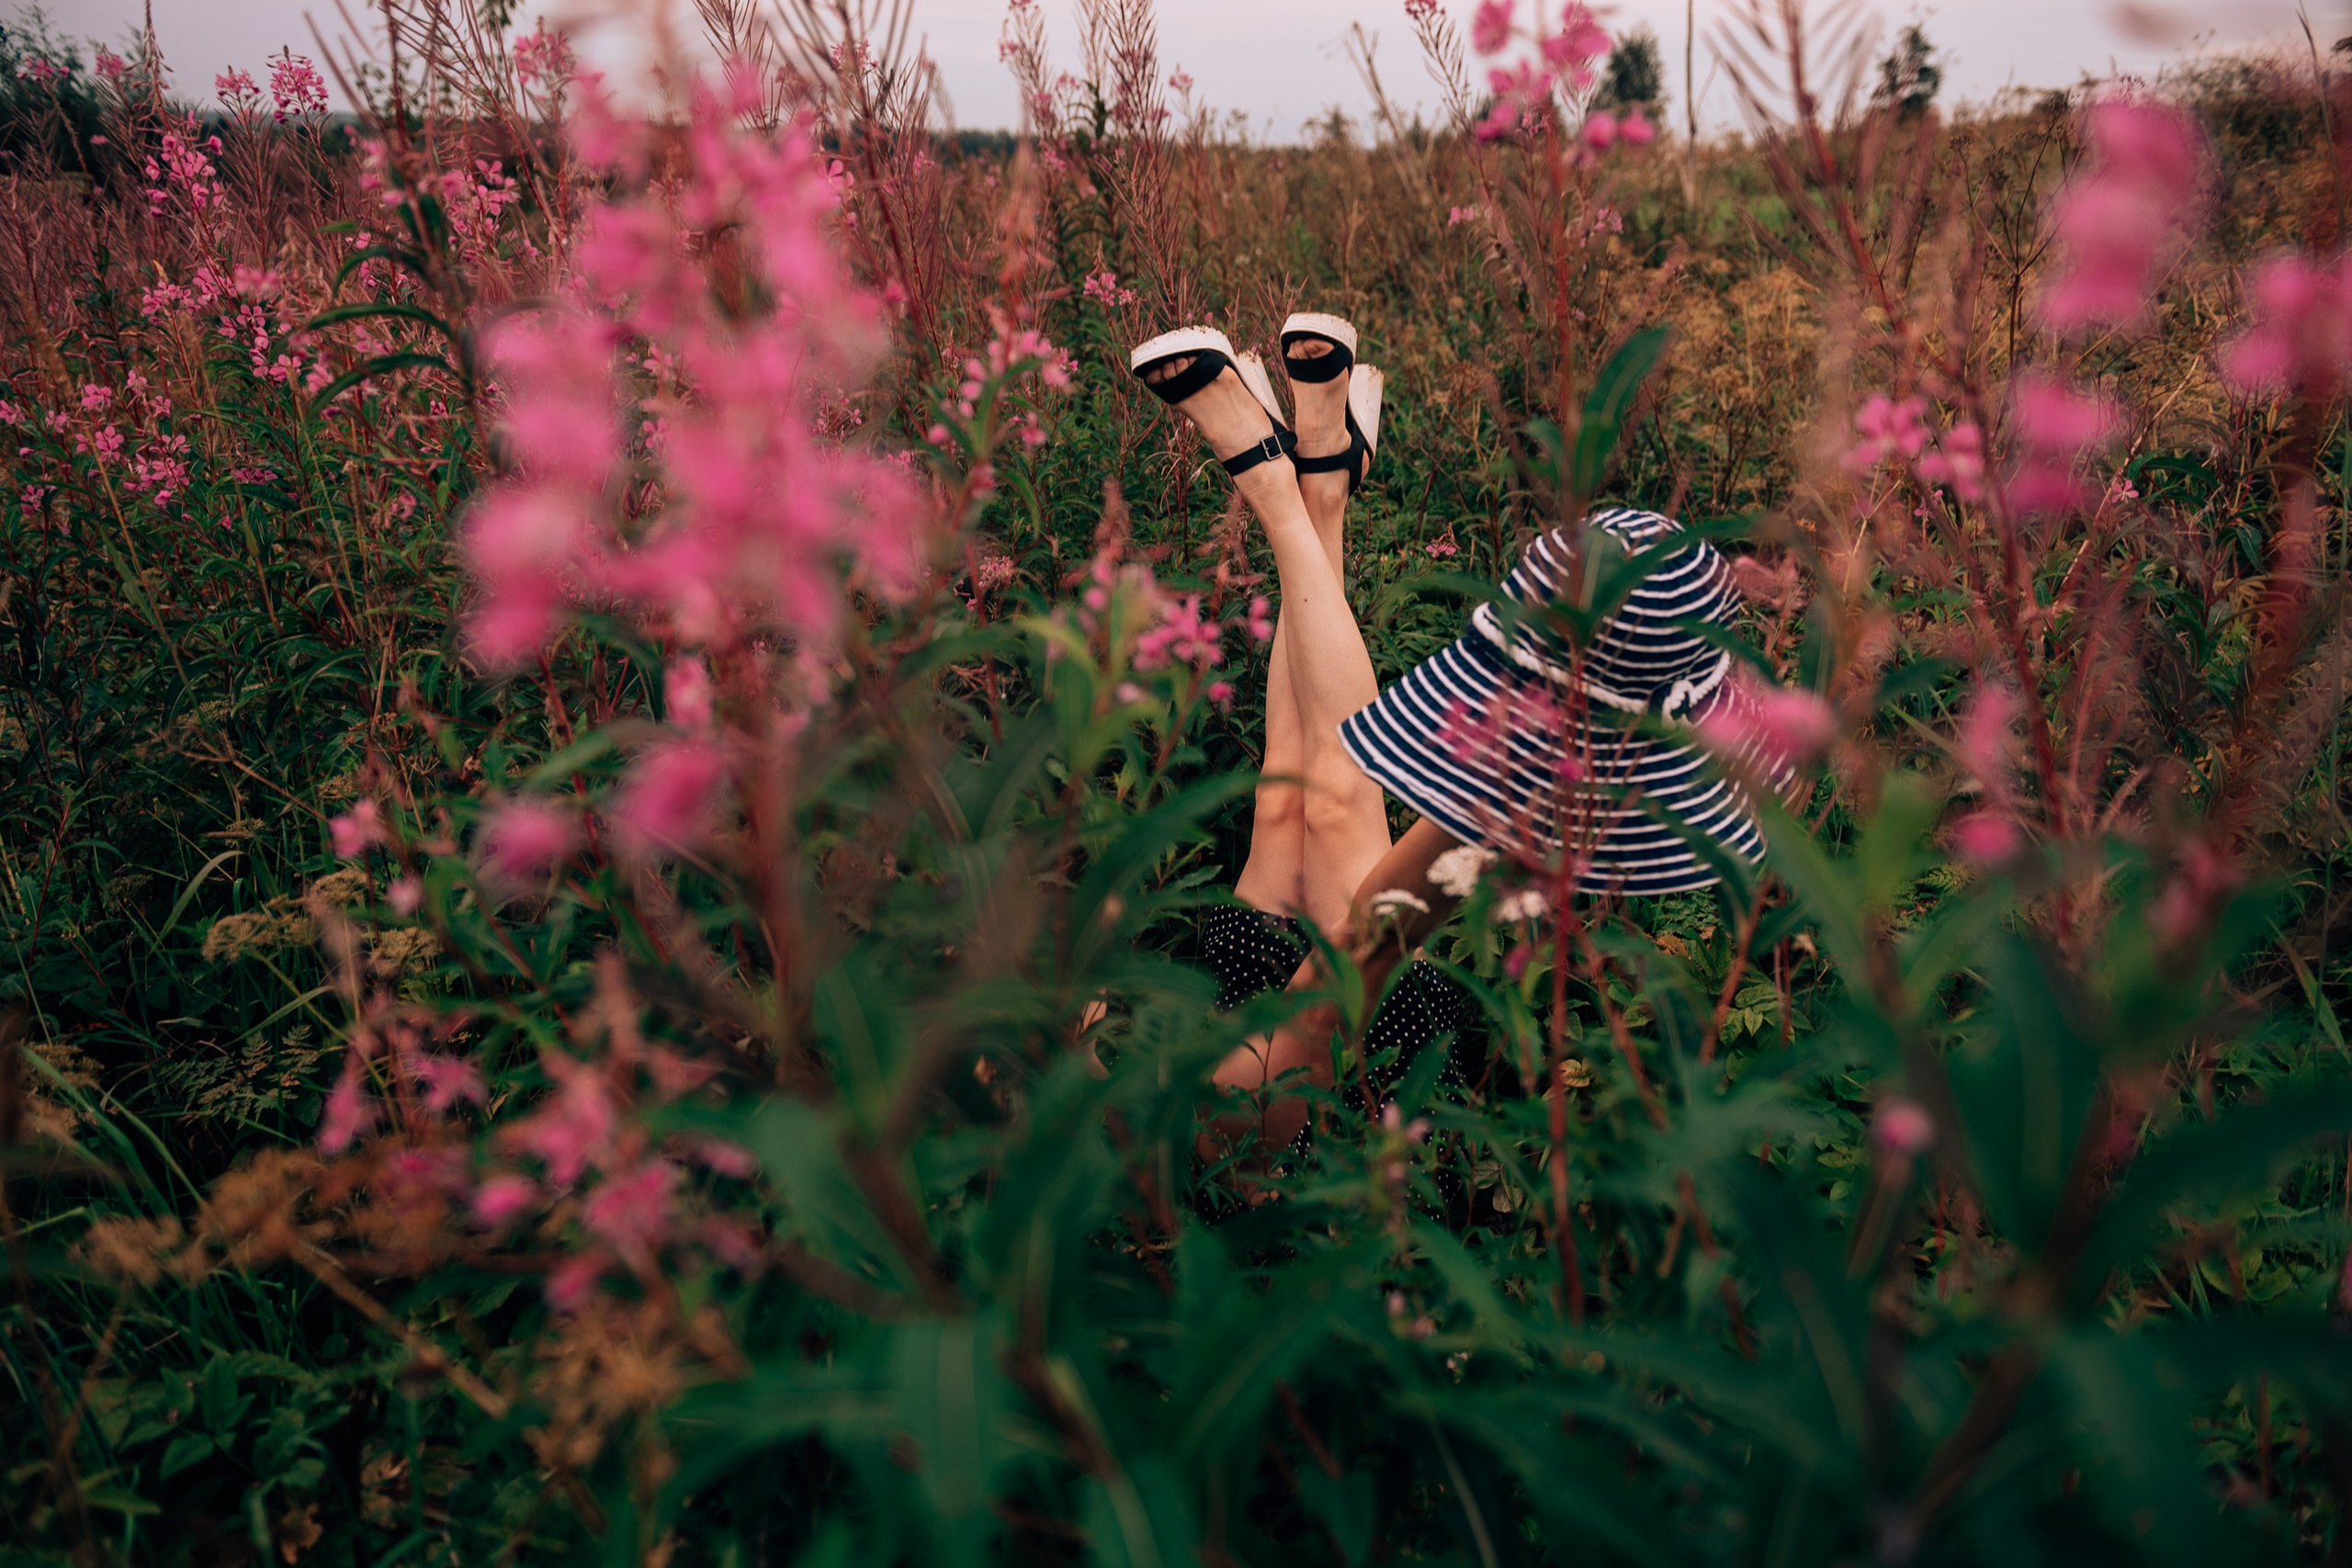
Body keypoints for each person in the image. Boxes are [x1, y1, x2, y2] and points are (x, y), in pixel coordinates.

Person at [1130, 315, 1771, 1153]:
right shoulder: (1563, 803)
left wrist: (1104, 1081)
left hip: (1325, 1042)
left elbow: (1236, 1132)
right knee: (1309, 798)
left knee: (1294, 793)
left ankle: (1305, 489)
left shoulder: (1521, 808)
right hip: (1354, 1003)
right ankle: (1305, 490)